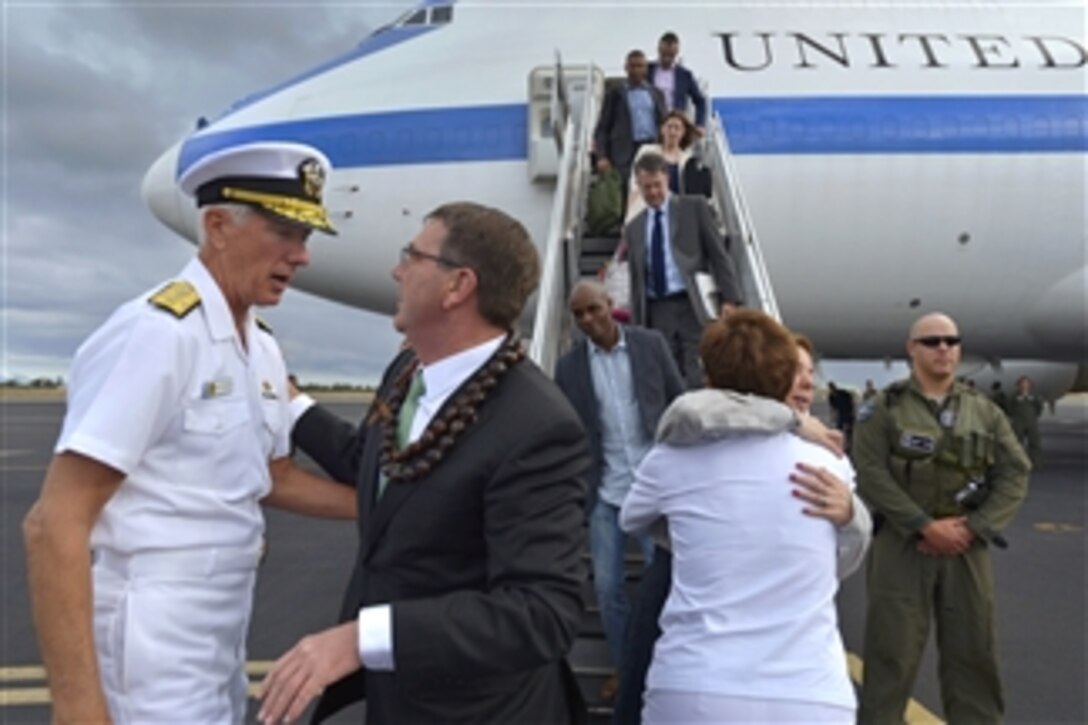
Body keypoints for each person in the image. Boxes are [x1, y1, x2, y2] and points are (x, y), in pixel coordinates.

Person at [22, 141, 358, 723]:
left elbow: (272, 478)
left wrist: (386, 507)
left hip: (221, 626)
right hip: (149, 631)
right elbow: (54, 523)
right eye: (284, 231)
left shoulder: (262, 348)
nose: (301, 256)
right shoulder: (157, 335)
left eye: (305, 238)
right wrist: (78, 705)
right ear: (219, 226)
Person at [258, 202, 591, 724]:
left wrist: (363, 638)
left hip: (478, 711)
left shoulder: (537, 427)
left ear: (457, 286)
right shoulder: (408, 370)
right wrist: (289, 401)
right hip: (396, 700)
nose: (397, 270)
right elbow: (378, 463)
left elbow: (541, 612)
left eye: (412, 256)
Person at [620, 310, 868, 724]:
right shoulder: (830, 465)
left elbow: (633, 518)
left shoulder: (672, 458)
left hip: (697, 683)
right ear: (786, 377)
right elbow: (840, 557)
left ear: (709, 377)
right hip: (811, 691)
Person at [854, 312, 1030, 724]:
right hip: (902, 544)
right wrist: (922, 525)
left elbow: (1014, 472)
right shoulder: (883, 408)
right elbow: (869, 472)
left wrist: (976, 527)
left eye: (951, 341)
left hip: (966, 546)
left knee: (974, 655)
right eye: (932, 341)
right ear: (911, 349)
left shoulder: (984, 411)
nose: (943, 349)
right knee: (890, 656)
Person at [553, 279, 685, 701]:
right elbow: (569, 432)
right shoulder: (569, 368)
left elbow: (678, 399)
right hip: (605, 491)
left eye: (594, 309)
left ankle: (665, 663)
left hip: (652, 487)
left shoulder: (650, 345)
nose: (588, 320)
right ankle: (625, 667)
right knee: (608, 591)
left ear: (611, 305)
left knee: (662, 582)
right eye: (579, 315)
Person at [625, 152, 741, 387]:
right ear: (638, 186)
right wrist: (637, 324)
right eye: (646, 187)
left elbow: (718, 254)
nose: (653, 192)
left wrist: (730, 299)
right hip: (657, 309)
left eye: (657, 185)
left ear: (667, 179)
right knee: (666, 375)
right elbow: (636, 280)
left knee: (697, 370)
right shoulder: (634, 228)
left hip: (691, 304)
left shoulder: (693, 208)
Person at [594, 49, 667, 191]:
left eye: (640, 66)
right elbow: (603, 128)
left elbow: (664, 121)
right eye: (633, 66)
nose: (636, 70)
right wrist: (602, 156)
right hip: (625, 152)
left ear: (646, 68)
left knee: (652, 188)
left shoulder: (656, 94)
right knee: (628, 191)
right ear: (626, 68)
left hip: (651, 147)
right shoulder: (615, 94)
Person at [625, 111, 710, 224]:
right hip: (645, 206)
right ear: (662, 129)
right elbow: (634, 183)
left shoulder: (687, 159)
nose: (672, 132)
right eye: (669, 127)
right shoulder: (646, 151)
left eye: (677, 128)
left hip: (675, 214)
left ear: (683, 133)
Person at [648, 32, 708, 129]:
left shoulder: (684, 75)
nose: (667, 59)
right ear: (658, 50)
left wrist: (700, 124)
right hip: (651, 124)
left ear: (677, 53)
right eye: (664, 54)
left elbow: (700, 100)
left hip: (674, 125)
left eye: (671, 55)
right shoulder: (647, 70)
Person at [1009, 375, 1044, 465]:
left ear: (1030, 386)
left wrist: (1033, 417)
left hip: (1031, 422)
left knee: (1034, 442)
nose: (1024, 386)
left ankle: (1035, 462)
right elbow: (1009, 407)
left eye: (1026, 384)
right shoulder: (1013, 397)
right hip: (1018, 422)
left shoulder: (1034, 397)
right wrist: (1015, 417)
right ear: (1018, 386)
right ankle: (1017, 462)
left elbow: (1039, 407)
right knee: (1017, 442)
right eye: (1022, 384)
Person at [827, 381, 856, 446]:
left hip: (848, 412)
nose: (832, 389)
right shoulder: (831, 397)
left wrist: (852, 409)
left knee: (850, 428)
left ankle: (850, 441)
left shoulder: (842, 392)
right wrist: (833, 415)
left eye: (833, 387)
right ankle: (839, 441)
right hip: (841, 413)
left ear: (835, 386)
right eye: (831, 388)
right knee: (839, 427)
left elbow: (850, 398)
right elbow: (832, 407)